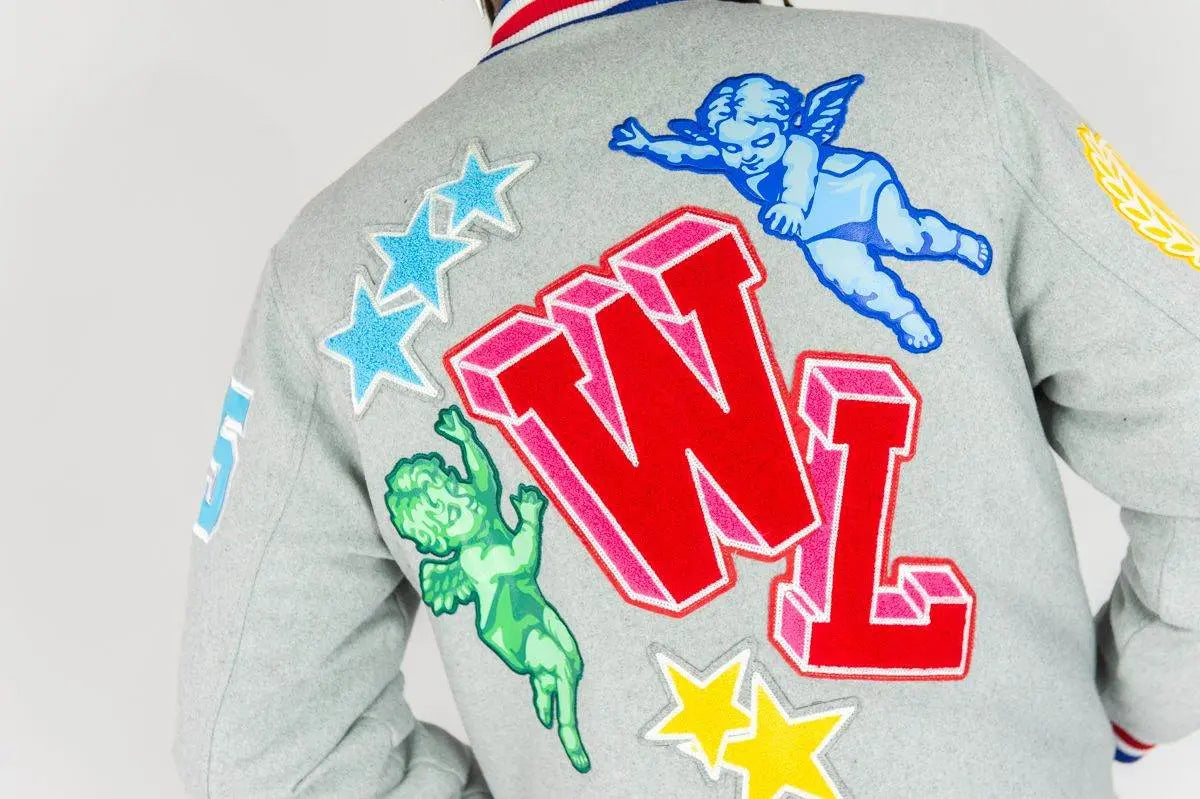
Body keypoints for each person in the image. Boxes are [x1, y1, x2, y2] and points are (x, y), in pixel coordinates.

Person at [173, 1, 1200, 797]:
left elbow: (256, 756)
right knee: (890, 260)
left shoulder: (332, 274)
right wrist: (1130, 702)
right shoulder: (957, 92)